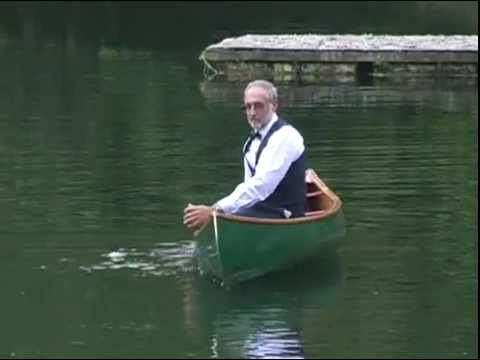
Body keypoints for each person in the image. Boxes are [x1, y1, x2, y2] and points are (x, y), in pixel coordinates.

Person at [184, 80, 306, 233]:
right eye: (248, 107)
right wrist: (217, 212)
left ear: (274, 105)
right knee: (215, 221)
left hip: (286, 215)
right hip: (261, 211)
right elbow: (250, 184)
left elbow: (261, 185)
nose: (252, 113)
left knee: (219, 219)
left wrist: (215, 209)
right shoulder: (252, 141)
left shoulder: (285, 137)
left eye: (258, 105)